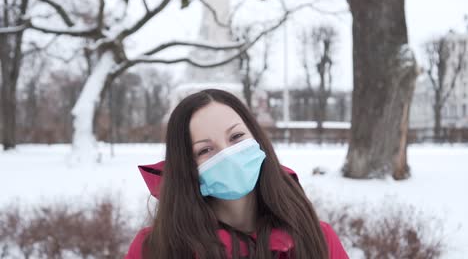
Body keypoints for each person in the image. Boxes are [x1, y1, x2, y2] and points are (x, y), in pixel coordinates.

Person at [126, 89, 349, 259]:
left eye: (236, 137)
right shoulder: (156, 248)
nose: (228, 154)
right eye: (205, 150)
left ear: (256, 138)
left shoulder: (315, 237)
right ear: (186, 168)